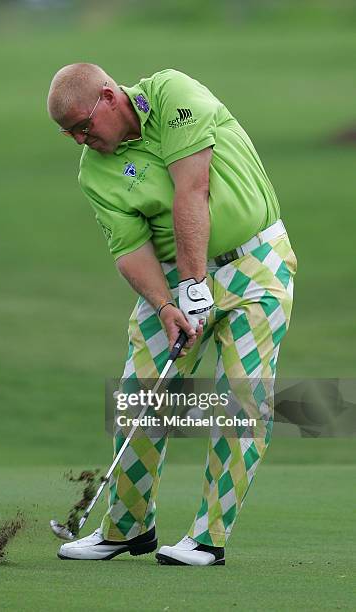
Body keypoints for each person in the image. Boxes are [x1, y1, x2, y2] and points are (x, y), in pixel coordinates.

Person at [46, 64, 297, 566]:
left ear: (109, 96)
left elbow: (193, 188)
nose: (79, 139)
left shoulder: (173, 94)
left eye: (83, 125)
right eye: (68, 133)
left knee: (240, 401)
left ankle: (208, 538)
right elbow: (130, 249)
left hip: (257, 265)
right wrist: (166, 304)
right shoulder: (95, 171)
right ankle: (126, 529)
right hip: (174, 281)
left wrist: (194, 285)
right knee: (139, 396)